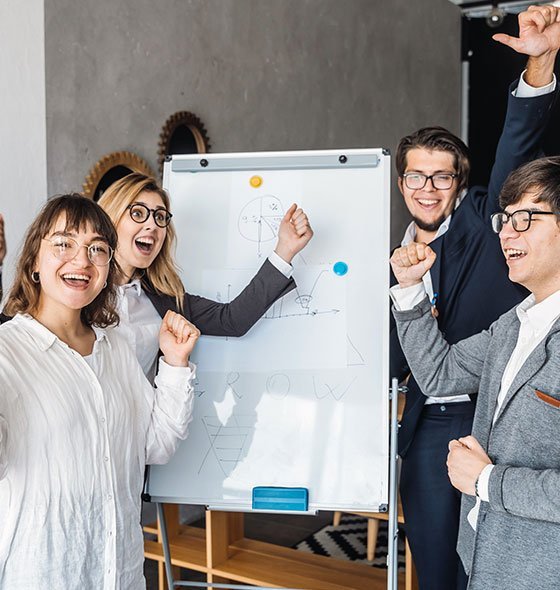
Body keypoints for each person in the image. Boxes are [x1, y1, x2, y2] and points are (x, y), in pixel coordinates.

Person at [390, 5, 560, 589]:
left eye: (442, 177)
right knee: (438, 564)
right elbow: (407, 361)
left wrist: (539, 65)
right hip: (424, 426)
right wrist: (405, 290)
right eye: (416, 176)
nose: (428, 188)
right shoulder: (393, 258)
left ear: (460, 184)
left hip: (489, 421)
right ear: (402, 183)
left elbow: (518, 147)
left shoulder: (488, 228)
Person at [0, 194, 200, 588]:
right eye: (64, 243)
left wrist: (175, 364)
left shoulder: (117, 348)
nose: (81, 260)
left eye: (97, 249)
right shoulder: (7, 353)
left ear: (108, 268)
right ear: (34, 261)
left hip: (121, 574)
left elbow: (155, 446)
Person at [98, 173, 313, 381]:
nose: (152, 225)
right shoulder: (83, 292)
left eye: (160, 217)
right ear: (111, 219)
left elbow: (232, 320)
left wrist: (285, 250)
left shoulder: (168, 302)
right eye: (138, 213)